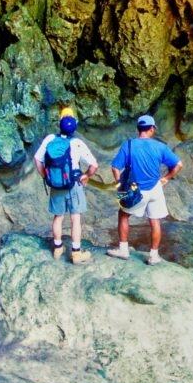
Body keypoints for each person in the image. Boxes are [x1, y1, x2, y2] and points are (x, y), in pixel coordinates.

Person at [107, 114, 183, 265]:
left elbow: (115, 167)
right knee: (155, 221)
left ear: (139, 129)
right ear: (152, 129)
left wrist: (118, 184)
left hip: (135, 190)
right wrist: (166, 178)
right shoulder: (160, 147)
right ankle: (153, 256)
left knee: (123, 215)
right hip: (155, 188)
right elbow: (179, 165)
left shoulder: (129, 145)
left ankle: (123, 249)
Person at [33, 107, 98, 264]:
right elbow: (94, 165)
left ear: (59, 124)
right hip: (74, 184)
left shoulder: (50, 139)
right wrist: (86, 176)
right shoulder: (77, 143)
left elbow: (37, 159)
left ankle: (57, 248)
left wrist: (46, 176)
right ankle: (76, 253)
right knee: (75, 219)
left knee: (58, 217)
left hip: (56, 184)